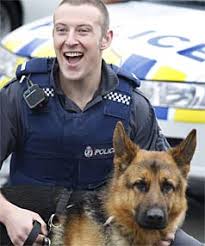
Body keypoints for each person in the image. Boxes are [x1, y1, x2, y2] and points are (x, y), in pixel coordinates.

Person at [0, 0, 202, 246]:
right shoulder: (19, 96)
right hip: (26, 225)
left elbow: (167, 181)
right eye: (62, 30)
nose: (70, 40)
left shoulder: (132, 106)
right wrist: (8, 214)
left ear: (105, 39)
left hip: (115, 229)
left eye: (83, 30)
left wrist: (163, 231)